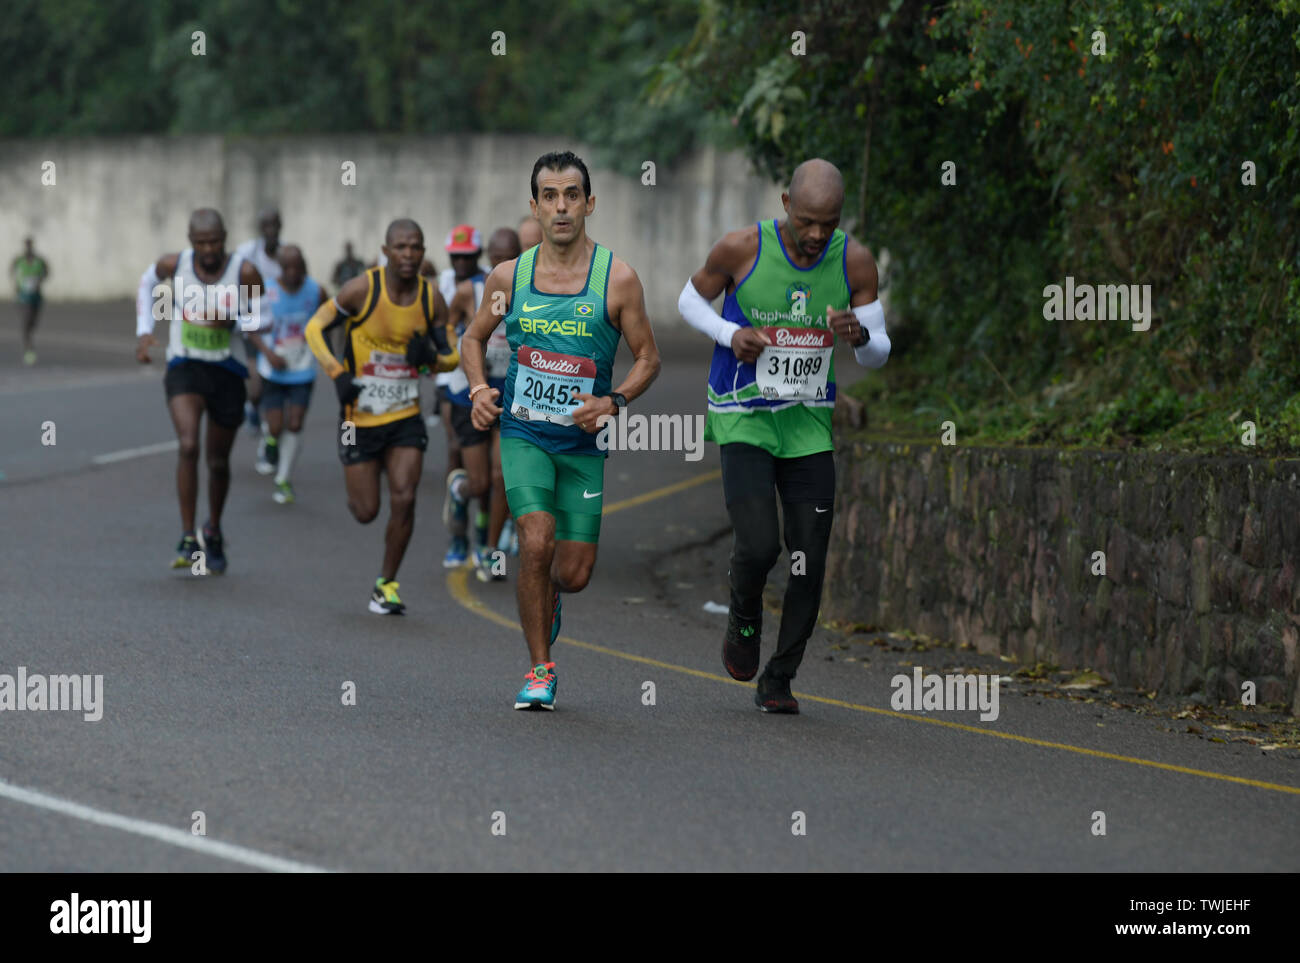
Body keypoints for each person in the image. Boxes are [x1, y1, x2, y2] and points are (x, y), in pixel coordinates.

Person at [677, 158, 891, 713]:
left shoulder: (854, 260)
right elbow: (689, 300)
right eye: (807, 221)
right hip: (743, 416)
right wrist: (730, 333)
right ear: (786, 204)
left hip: (808, 428)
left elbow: (878, 353)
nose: (817, 234)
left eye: (830, 222)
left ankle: (780, 676)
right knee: (758, 545)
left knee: (809, 561)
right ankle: (744, 615)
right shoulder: (741, 248)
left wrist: (859, 335)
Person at [461, 151, 661, 710]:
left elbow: (649, 358)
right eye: (549, 196)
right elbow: (473, 338)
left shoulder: (618, 279)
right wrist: (478, 390)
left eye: (572, 195)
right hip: (524, 434)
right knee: (535, 540)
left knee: (572, 573)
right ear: (535, 206)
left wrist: (614, 401)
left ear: (589, 203)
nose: (561, 206)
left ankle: (549, 593)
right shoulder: (509, 277)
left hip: (583, 445)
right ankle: (539, 669)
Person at [303, 219, 456, 614]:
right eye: (400, 247)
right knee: (366, 511)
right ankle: (358, 477)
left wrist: (430, 358)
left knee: (405, 497)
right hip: (357, 420)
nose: (408, 254)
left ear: (423, 253)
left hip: (405, 416)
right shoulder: (361, 290)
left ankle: (386, 584)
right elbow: (315, 328)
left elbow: (452, 356)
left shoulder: (432, 300)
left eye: (415, 247)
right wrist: (337, 374)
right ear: (386, 251)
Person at [135, 208, 265, 573]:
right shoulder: (174, 265)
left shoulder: (245, 272)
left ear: (225, 238)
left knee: (218, 461)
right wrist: (145, 331)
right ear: (191, 241)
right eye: (201, 242)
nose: (209, 249)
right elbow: (148, 284)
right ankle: (188, 536)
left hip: (227, 371)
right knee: (189, 445)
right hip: (185, 366)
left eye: (215, 241)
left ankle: (214, 529)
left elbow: (261, 317)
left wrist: (233, 321)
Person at [444, 227, 521, 581]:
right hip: (470, 393)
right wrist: (460, 358)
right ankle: (459, 492)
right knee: (478, 485)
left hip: (510, 393)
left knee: (500, 477)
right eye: (497, 257)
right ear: (488, 258)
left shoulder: (533, 289)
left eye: (510, 256)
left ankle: (490, 551)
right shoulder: (469, 291)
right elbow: (447, 328)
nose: (502, 263)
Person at [246, 245, 327, 504]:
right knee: (276, 425)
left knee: (295, 423)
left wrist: (326, 352)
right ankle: (270, 440)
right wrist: (268, 354)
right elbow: (251, 327)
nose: (293, 272)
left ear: (304, 266)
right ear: (279, 268)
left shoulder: (316, 291)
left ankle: (283, 479)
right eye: (287, 267)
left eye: (298, 267)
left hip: (302, 370)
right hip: (273, 370)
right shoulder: (265, 291)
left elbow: (329, 321)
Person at [437, 224, 488, 568]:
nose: (460, 263)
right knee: (455, 448)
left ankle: (484, 534)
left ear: (477, 255)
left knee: (490, 474)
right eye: (455, 257)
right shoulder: (442, 284)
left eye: (467, 257)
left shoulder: (492, 282)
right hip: (452, 381)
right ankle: (458, 535)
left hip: (490, 383)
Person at [236, 208, 284, 471]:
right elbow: (234, 281)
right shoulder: (248, 253)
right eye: (266, 225)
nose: (271, 230)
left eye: (275, 224)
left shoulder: (286, 255)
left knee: (275, 393)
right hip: (253, 326)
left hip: (279, 331)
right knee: (255, 386)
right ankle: (252, 406)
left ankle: (269, 445)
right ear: (260, 228)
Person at [11, 238, 48, 365]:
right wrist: (17, 285)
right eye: (27, 246)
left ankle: (29, 341)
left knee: (33, 323)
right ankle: (29, 349)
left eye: (30, 246)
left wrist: (39, 280)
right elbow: (12, 272)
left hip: (36, 297)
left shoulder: (40, 261)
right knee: (26, 324)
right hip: (23, 298)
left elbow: (47, 272)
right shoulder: (18, 261)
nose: (28, 248)